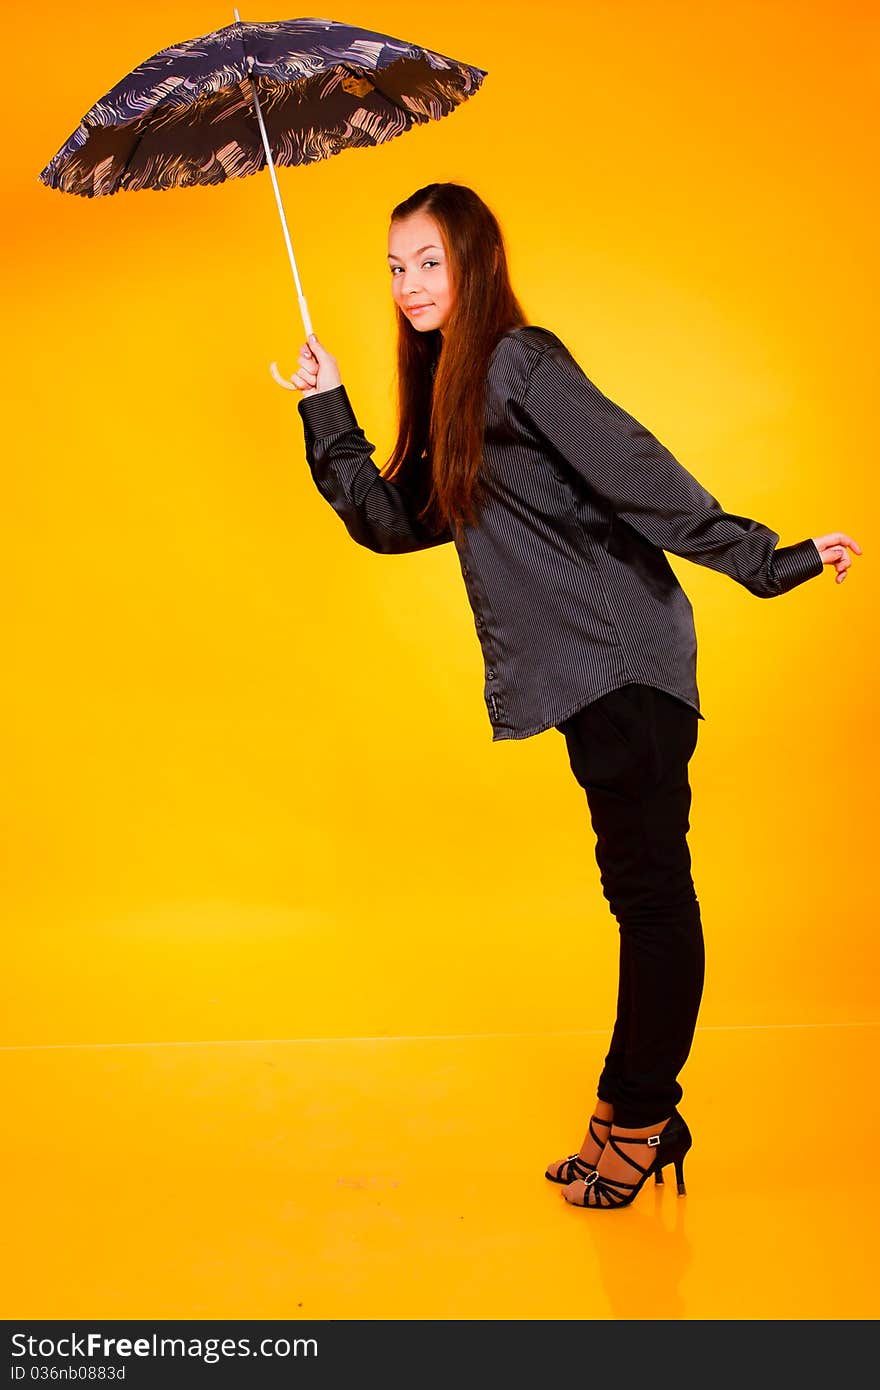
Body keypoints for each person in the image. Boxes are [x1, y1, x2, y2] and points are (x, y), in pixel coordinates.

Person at [280, 182, 860, 1210]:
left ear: (473, 262)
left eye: (428, 262)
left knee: (650, 895)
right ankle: (627, 1108)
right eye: (395, 266)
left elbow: (637, 471)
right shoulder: (455, 390)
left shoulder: (518, 362)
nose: (410, 285)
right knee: (637, 894)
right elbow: (387, 521)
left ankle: (638, 1118)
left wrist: (764, 561)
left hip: (625, 667)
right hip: (585, 678)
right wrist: (325, 406)